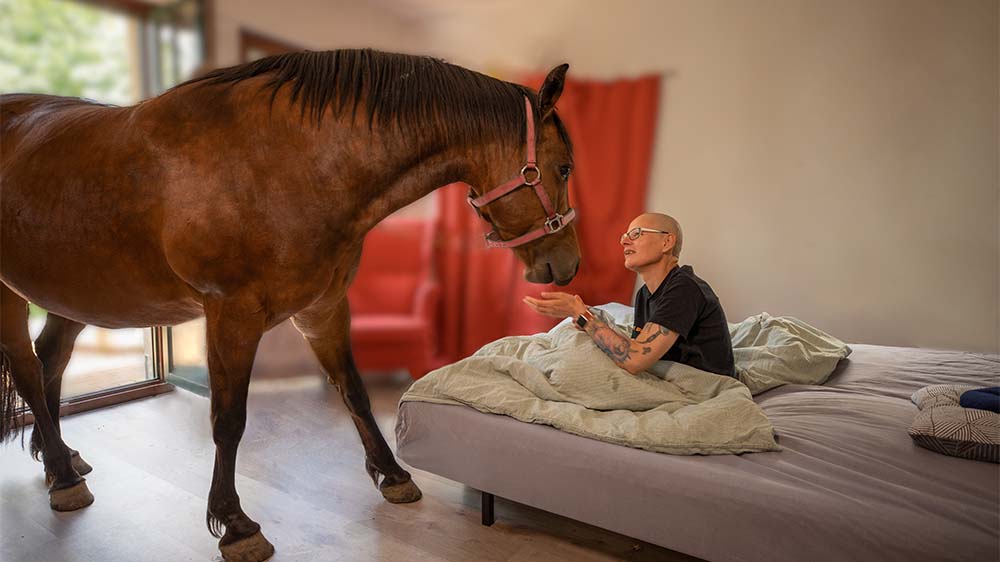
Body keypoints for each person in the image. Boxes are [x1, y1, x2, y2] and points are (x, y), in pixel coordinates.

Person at [524, 213, 736, 378]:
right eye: (625, 236)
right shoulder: (644, 293)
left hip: (702, 385)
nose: (624, 241)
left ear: (667, 242)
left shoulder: (684, 287)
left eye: (636, 234)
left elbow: (634, 360)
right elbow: (636, 348)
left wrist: (584, 316)